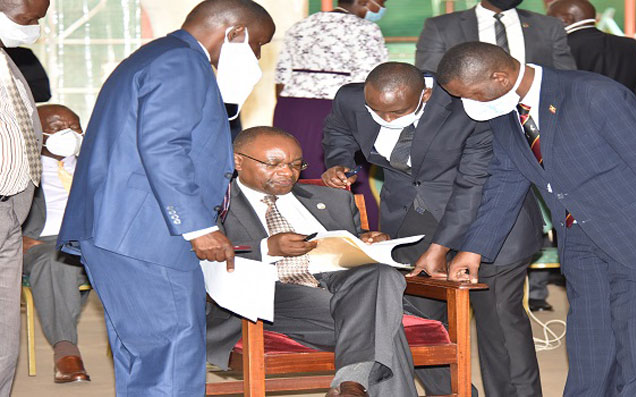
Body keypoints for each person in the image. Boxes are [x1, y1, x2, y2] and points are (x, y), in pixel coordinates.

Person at [437, 42, 636, 396]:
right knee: (590, 343)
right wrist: (474, 248)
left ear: (500, 77)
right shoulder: (504, 110)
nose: (470, 104)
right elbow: (506, 181)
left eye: (473, 94)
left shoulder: (594, 94)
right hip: (578, 234)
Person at [56, 0, 276, 394]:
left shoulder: (157, 56)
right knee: (172, 357)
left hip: (122, 231)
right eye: (258, 44)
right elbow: (164, 147)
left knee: (146, 360)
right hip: (148, 234)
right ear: (236, 32)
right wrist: (199, 227)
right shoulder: (182, 63)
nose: (257, 57)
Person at [322, 62, 543, 397]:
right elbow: (338, 131)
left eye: (396, 112)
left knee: (499, 327)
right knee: (420, 326)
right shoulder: (352, 98)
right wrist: (340, 162)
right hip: (411, 222)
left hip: (489, 224)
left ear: (424, 95)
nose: (386, 119)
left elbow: (473, 184)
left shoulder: (469, 107)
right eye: (376, 111)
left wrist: (440, 248)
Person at [206, 126, 453, 397]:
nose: (287, 173)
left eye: (296, 165)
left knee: (380, 275)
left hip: (344, 286)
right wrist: (267, 248)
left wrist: (368, 242)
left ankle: (352, 384)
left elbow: (353, 249)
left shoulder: (333, 198)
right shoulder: (214, 203)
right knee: (383, 320)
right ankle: (352, 383)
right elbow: (202, 256)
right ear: (237, 160)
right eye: (273, 164)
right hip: (269, 292)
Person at [417, 0, 570, 313]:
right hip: (473, 141)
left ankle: (538, 291)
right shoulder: (442, 27)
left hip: (537, 136)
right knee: (498, 196)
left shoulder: (548, 26)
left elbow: (565, 83)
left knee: (540, 216)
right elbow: (433, 89)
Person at [273, 0, 388, 230]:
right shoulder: (365, 30)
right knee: (348, 180)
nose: (381, 9)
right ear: (364, 2)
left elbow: (280, 79)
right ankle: (366, 240)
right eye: (381, 3)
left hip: (291, 110)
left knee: (294, 177)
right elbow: (373, 82)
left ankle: (299, 234)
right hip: (337, 111)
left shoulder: (301, 26)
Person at [21, 105, 90, 384]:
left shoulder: (94, 167)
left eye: (75, 127)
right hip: (38, 243)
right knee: (55, 260)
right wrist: (13, 238)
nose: (70, 134)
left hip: (88, 241)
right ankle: (66, 352)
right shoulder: (18, 168)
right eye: (60, 128)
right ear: (37, 135)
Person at [0, 0, 48, 394]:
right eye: (29, 18)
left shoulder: (7, 60)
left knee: (4, 335)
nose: (34, 27)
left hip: (10, 213)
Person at [415, 0, 576, 73]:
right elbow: (430, 77)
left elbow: (565, 75)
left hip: (532, 119)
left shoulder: (548, 26)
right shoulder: (441, 26)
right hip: (469, 125)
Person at [546, 0, 636, 111]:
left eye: (549, 19)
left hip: (580, 121)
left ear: (566, 19)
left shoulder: (558, 48)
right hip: (623, 119)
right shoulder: (629, 45)